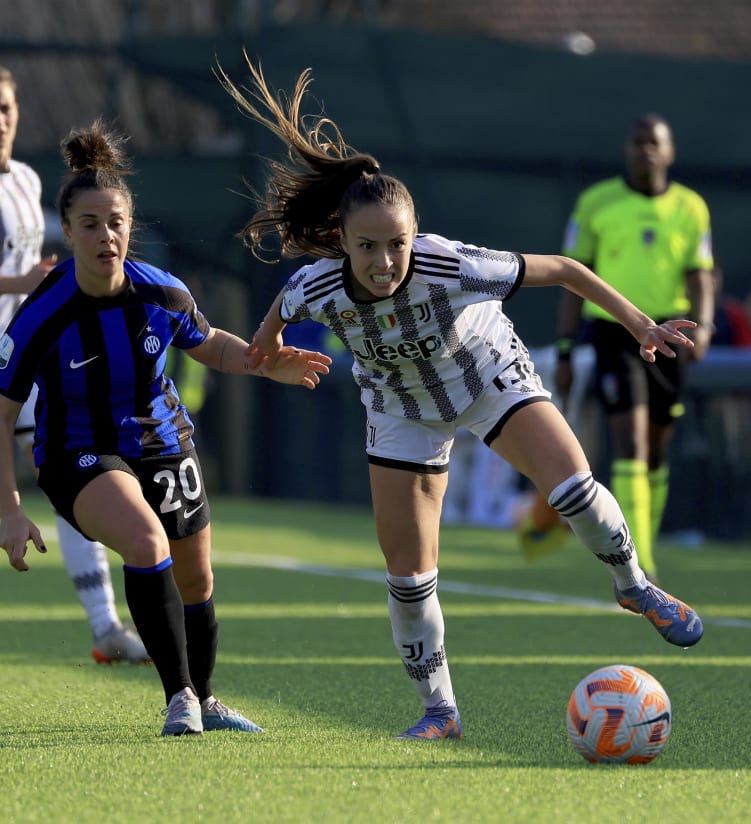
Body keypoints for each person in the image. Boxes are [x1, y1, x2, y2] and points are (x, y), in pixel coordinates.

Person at [216, 60, 704, 741]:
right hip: (401, 411)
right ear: (344, 243)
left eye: (397, 244)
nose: (385, 261)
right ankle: (440, 712)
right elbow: (267, 330)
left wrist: (641, 324)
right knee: (409, 580)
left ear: (416, 237)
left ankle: (633, 583)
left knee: (573, 488)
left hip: (485, 378)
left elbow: (564, 270)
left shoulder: (451, 265)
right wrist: (267, 363)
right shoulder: (316, 287)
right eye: (367, 248)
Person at [0, 118, 331, 736]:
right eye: (90, 225)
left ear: (131, 226)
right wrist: (10, 507)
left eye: (116, 223)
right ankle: (178, 696)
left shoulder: (163, 293)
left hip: (163, 440)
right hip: (78, 451)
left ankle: (205, 700)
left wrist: (266, 364)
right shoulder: (40, 315)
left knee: (197, 576)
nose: (106, 236)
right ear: (67, 231)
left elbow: (212, 346)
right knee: (146, 543)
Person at [0, 64, 149, 664]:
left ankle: (105, 626)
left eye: (6, 108)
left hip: (28, 357)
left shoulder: (27, 179)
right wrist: (23, 281)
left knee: (69, 477)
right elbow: (27, 276)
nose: (0, 120)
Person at [549, 114, 716, 584]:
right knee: (632, 443)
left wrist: (704, 326)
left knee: (658, 450)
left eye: (654, 141)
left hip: (672, 331)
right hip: (614, 332)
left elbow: (700, 271)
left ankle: (646, 544)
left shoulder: (691, 207)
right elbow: (570, 279)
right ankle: (638, 563)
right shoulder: (595, 202)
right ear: (626, 148)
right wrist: (564, 351)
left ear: (670, 151)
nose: (645, 149)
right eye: (637, 140)